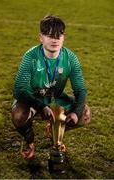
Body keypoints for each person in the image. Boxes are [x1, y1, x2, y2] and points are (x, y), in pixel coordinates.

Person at [11, 14, 91, 159]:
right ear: (41, 37)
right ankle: (29, 142)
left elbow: (80, 90)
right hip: (33, 98)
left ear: (63, 37)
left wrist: (76, 112)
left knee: (84, 114)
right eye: (49, 35)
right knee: (18, 115)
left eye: (58, 35)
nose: (55, 40)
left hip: (56, 98)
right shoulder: (31, 57)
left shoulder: (70, 58)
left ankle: (54, 131)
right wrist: (40, 106)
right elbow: (19, 89)